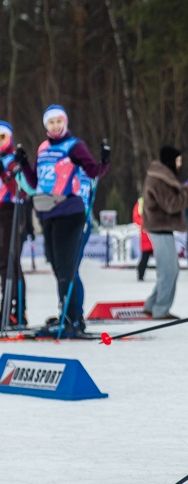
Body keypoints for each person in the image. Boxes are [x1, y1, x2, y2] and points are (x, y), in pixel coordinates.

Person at [18, 105, 110, 337]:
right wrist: (24, 163)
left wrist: (104, 160)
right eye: (51, 122)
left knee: (67, 270)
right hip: (47, 213)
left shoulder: (74, 146)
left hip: (70, 212)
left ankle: (73, 320)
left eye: (59, 121)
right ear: (46, 125)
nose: (56, 126)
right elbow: (35, 182)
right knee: (58, 269)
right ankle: (67, 315)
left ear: (65, 122)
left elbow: (93, 172)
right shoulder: (43, 148)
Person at [141, 146, 188, 319]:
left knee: (169, 270)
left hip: (161, 229)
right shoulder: (160, 179)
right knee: (169, 272)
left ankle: (151, 305)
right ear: (170, 161)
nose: (180, 164)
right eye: (178, 160)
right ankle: (160, 309)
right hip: (160, 229)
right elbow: (171, 204)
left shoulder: (161, 176)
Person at [0, 121, 31, 327]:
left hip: (11, 211)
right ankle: (13, 310)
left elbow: (22, 191)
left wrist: (4, 173)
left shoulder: (13, 159)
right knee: (6, 263)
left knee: (8, 262)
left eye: (2, 137)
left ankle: (13, 310)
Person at [133, 197, 154, 280]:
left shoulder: (142, 201)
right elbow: (136, 217)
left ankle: (141, 273)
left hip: (149, 231)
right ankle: (141, 273)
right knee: (145, 256)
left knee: (158, 256)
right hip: (147, 233)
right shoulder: (141, 201)